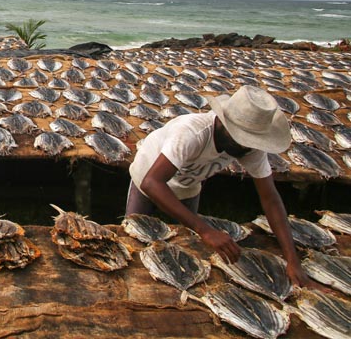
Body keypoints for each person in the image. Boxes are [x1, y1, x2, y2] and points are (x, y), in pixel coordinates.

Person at [126, 85, 315, 287]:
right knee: (133, 238)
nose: (245, 147)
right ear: (224, 125)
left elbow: (270, 198)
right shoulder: (192, 132)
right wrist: (206, 230)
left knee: (188, 245)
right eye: (241, 140)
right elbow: (152, 183)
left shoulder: (249, 148)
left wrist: (292, 259)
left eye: (250, 142)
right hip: (148, 175)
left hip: (188, 184)